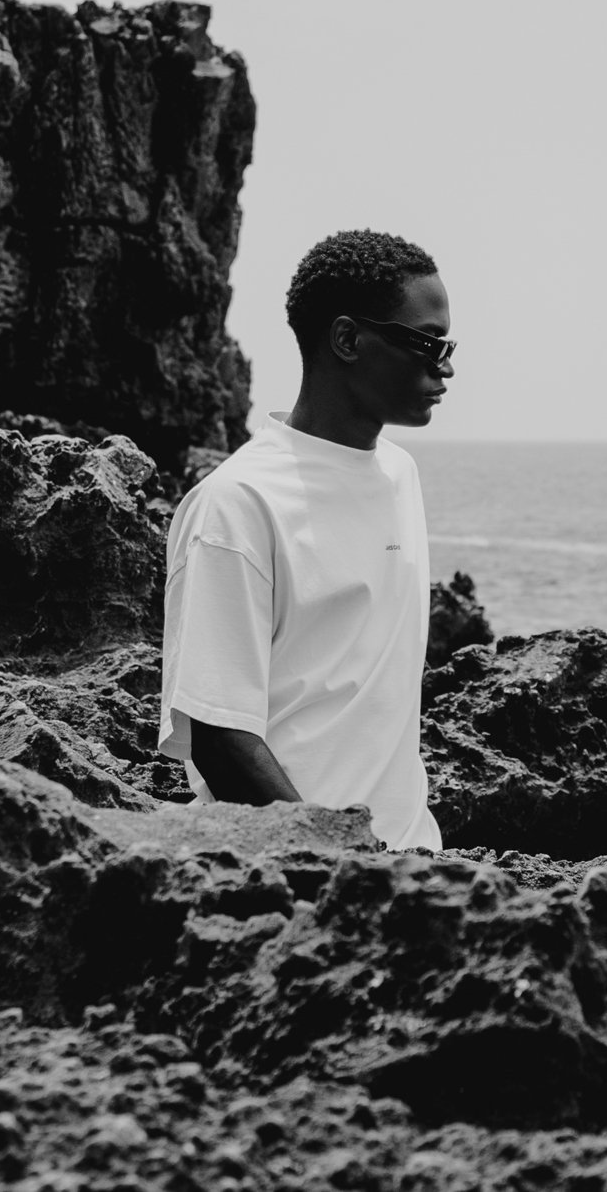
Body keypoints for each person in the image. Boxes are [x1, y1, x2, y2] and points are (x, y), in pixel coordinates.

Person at [156, 229, 454, 849]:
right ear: (347, 339)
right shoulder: (237, 504)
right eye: (428, 343)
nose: (445, 366)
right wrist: (340, 860)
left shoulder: (400, 475)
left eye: (448, 346)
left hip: (413, 867)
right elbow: (219, 737)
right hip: (294, 877)